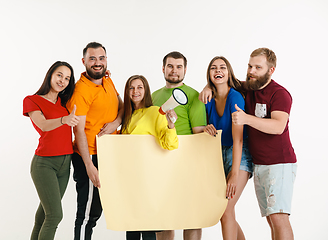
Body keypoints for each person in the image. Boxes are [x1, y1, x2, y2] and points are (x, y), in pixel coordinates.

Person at [200, 48, 297, 240]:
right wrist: (207, 87)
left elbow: (278, 126)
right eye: (250, 66)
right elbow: (224, 82)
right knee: (271, 219)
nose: (251, 71)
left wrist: (246, 119)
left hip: (279, 163)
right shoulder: (249, 87)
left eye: (258, 67)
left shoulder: (280, 94)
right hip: (259, 162)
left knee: (278, 217)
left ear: (271, 70)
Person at [66, 42, 124, 240]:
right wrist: (89, 165)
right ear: (84, 61)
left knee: (98, 210)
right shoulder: (81, 91)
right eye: (92, 58)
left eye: (101, 58)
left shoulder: (107, 80)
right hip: (90, 154)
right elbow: (78, 131)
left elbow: (122, 105)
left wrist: (116, 122)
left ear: (106, 60)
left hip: (108, 153)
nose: (97, 63)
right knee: (87, 214)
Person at [152, 51, 206, 240]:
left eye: (179, 66)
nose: (174, 71)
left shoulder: (194, 96)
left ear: (185, 70)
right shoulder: (153, 96)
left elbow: (199, 133)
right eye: (170, 66)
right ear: (163, 68)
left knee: (191, 215)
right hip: (160, 161)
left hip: (187, 163)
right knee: (163, 216)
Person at [23, 61, 79, 240]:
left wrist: (105, 77)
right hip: (44, 164)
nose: (63, 80)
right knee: (55, 215)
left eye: (67, 78)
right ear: (50, 75)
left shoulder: (65, 102)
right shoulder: (32, 100)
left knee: (43, 217)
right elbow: (44, 125)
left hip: (65, 165)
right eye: (59, 75)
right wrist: (64, 120)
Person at [121, 75, 179, 240]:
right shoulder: (126, 116)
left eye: (140, 87)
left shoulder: (155, 112)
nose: (135, 91)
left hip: (148, 179)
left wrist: (171, 125)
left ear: (146, 90)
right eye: (131, 88)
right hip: (130, 178)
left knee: (147, 228)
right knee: (131, 226)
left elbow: (170, 144)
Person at [202, 56, 253, 240]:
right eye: (213, 68)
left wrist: (234, 173)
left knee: (225, 210)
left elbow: (238, 140)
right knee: (224, 211)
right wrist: (205, 129)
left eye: (222, 67)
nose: (218, 71)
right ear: (209, 74)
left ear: (229, 72)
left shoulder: (235, 97)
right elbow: (200, 128)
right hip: (217, 155)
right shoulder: (208, 98)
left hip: (239, 154)